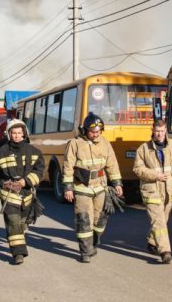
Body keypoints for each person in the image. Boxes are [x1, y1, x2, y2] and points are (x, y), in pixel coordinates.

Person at [62, 112, 123, 263]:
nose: (95, 135)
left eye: (98, 132)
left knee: (100, 220)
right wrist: (68, 187)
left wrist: (117, 183)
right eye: (92, 132)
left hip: (101, 187)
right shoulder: (74, 143)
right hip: (82, 187)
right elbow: (68, 167)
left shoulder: (105, 143)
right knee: (84, 219)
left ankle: (94, 243)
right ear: (84, 130)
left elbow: (112, 164)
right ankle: (85, 251)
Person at [0, 119, 45, 265]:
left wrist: (26, 181)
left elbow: (40, 170)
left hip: (27, 195)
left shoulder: (34, 152)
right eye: (14, 133)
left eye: (19, 133)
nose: (17, 136)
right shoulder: (1, 153)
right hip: (8, 193)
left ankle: (15, 238)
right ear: (9, 134)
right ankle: (18, 254)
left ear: (24, 134)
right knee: (13, 221)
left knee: (21, 224)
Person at [133, 119, 172, 264]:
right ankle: (165, 251)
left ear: (165, 131)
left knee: (163, 218)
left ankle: (152, 241)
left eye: (162, 131)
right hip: (151, 189)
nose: (159, 134)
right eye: (157, 131)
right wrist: (155, 175)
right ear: (152, 131)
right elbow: (137, 169)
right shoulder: (143, 149)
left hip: (170, 190)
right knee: (158, 220)